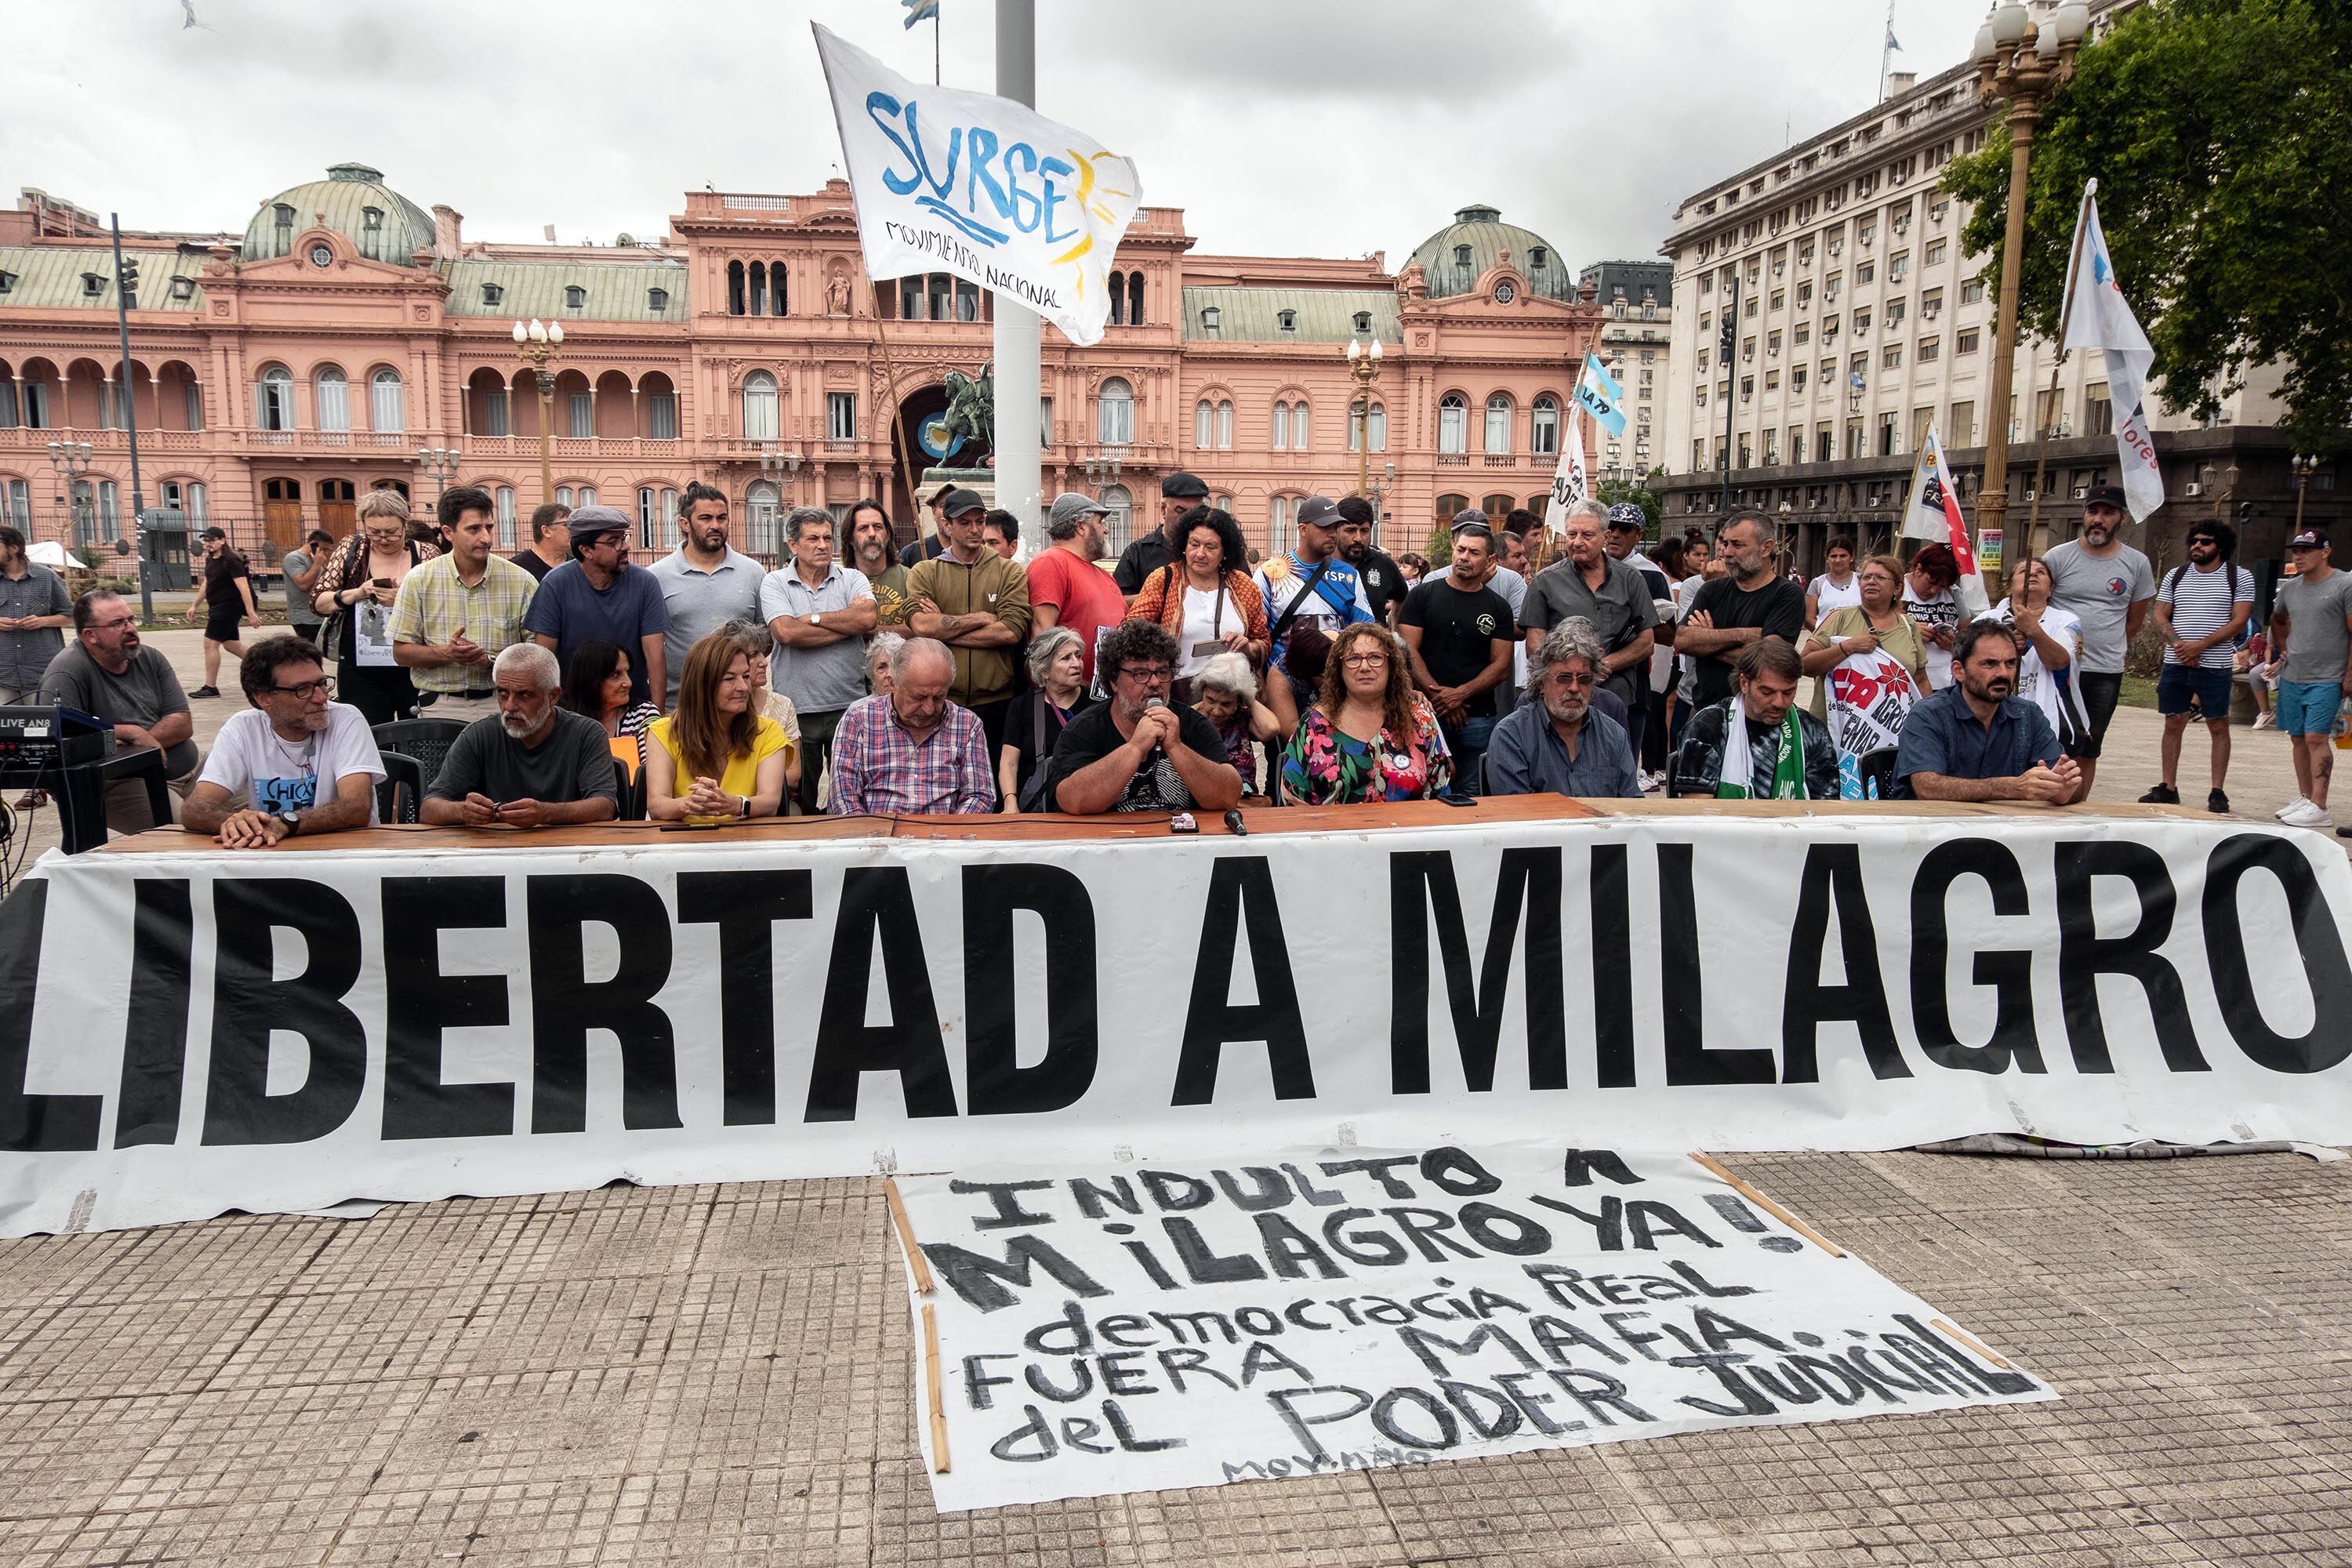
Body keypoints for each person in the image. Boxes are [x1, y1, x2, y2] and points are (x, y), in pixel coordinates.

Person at [183, 634, 383, 845]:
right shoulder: (242, 728)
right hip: (271, 852)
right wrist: (242, 823)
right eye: (302, 690)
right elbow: (195, 810)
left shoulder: (346, 719)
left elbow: (356, 808)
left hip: (345, 852)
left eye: (322, 684)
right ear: (264, 698)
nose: (321, 698)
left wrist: (286, 823)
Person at [38, 590, 201, 832]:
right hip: (122, 783)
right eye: (117, 624)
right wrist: (132, 734)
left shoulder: (150, 658)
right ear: (90, 635)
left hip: (193, 768)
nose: (130, 628)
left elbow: (182, 723)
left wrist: (143, 739)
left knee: (262, 808)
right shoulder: (67, 673)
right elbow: (62, 740)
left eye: (130, 619)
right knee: (195, 833)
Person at [1046, 619, 1244, 814]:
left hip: (1180, 842)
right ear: (1114, 681)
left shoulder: (1193, 723)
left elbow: (1228, 796)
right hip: (1109, 843)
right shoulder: (1085, 728)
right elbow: (1071, 801)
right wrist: (1135, 748)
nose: (1155, 682)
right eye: (1140, 674)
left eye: (1162, 672)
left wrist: (1176, 747)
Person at [422, 642, 620, 826]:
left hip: (567, 853)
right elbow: (429, 809)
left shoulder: (586, 733)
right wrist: (462, 811)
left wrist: (545, 814)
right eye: (502, 693)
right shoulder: (479, 735)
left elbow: (605, 806)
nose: (510, 706)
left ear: (553, 697)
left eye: (524, 695)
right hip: (495, 853)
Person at [388, 484, 540, 724]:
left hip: (504, 704)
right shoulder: (420, 580)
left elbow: (536, 655)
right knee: (442, 763)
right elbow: (401, 652)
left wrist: (490, 662)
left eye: (489, 527)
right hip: (440, 705)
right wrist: (447, 653)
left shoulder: (521, 581)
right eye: (474, 529)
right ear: (449, 532)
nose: (486, 538)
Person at [759, 505, 876, 815]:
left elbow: (867, 619)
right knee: (801, 793)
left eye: (827, 537)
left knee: (852, 791)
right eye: (812, 539)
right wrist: (844, 625)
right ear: (793, 545)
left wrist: (810, 618)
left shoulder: (852, 578)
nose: (823, 545)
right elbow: (785, 632)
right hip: (799, 708)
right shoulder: (774, 582)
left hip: (848, 705)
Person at [2041, 484, 2156, 796]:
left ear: (2122, 519)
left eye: (2108, 513)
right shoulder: (2058, 557)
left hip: (2104, 670)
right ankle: (2047, 801)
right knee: (2053, 738)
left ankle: (2077, 806)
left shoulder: (2137, 563)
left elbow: (2133, 621)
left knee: (2090, 744)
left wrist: (2108, 647)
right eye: (2093, 511)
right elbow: (2040, 604)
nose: (2098, 519)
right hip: (2058, 668)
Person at [1894, 622, 2080, 804]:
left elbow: (2066, 783)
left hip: (2005, 829)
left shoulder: (2029, 715)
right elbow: (1927, 787)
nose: (2003, 673)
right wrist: (2011, 787)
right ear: (1959, 671)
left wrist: (2062, 790)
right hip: (1932, 829)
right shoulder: (1929, 714)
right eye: (1990, 664)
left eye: (2010, 663)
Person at [906, 487, 1030, 757]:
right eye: (965, 522)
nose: (975, 529)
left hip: (998, 702)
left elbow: (1010, 631)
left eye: (980, 521)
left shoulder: (1009, 571)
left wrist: (943, 628)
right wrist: (984, 618)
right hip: (941, 700)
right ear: (946, 525)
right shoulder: (925, 572)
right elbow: (921, 627)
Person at [2142, 519, 2254, 814]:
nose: (2197, 546)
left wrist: (2199, 646)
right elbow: (2160, 614)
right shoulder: (2175, 575)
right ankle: (2168, 787)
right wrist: (2181, 645)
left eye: (2205, 542)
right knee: (2172, 722)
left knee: (2218, 724)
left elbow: (2239, 620)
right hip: (2176, 662)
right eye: (2194, 541)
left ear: (2220, 546)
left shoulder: (2238, 576)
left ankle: (2217, 791)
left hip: (2214, 664)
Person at [1279, 622, 1453, 804]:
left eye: (1375, 657)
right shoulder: (1313, 726)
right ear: (1339, 669)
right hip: (1334, 831)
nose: (1364, 667)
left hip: (1408, 830)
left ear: (1392, 665)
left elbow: (1441, 793)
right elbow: (1294, 800)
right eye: (1353, 658)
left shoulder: (1420, 720)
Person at [1398, 518, 1515, 786]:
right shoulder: (1422, 596)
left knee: (1472, 791)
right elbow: (1407, 651)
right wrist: (1440, 697)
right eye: (1461, 549)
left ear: (1490, 560)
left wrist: (1460, 694)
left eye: (1474, 552)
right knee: (1422, 787)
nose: (1465, 557)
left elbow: (1501, 666)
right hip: (1424, 712)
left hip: (1477, 716)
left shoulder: (1499, 608)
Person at [523, 503, 670, 712]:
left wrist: (656, 716)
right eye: (614, 542)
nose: (625, 546)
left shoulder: (645, 583)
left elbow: (655, 655)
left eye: (624, 538)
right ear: (586, 550)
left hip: (631, 710)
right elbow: (543, 658)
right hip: (573, 712)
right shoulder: (556, 584)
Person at [829, 636, 994, 815]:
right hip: (875, 836)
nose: (930, 709)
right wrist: (871, 837)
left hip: (946, 837)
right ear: (892, 683)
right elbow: (843, 798)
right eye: (918, 698)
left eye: (939, 697)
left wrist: (948, 834)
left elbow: (980, 796)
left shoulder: (967, 724)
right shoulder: (858, 721)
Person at [1522, 498, 1658, 713]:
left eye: (1586, 535)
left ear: (1605, 537)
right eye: (1572, 534)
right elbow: (1534, 643)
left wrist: (1607, 664)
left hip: (1617, 695)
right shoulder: (1545, 581)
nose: (1577, 542)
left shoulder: (1630, 579)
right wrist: (1570, 669)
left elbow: (1647, 642)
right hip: (1563, 698)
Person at [314, 490, 435, 724]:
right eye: (373, 532)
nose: (382, 539)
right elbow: (318, 602)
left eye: (391, 532)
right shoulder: (352, 549)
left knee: (417, 735)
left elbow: (441, 607)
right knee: (369, 736)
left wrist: (402, 601)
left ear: (404, 524)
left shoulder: (426, 553)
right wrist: (357, 593)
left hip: (412, 666)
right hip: (360, 669)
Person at [642, 631, 791, 823]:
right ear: (701, 685)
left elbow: (770, 802)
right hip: (682, 845)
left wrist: (735, 805)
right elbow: (656, 805)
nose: (744, 687)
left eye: (746, 676)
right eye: (730, 679)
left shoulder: (768, 731)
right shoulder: (662, 732)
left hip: (747, 844)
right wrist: (692, 804)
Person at [1486, 619, 1642, 798]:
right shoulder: (1512, 736)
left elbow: (1631, 806)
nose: (1574, 688)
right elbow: (1517, 815)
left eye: (1583, 679)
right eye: (1564, 678)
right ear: (1541, 683)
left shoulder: (1613, 735)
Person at [1670, 637, 1840, 800]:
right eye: (1767, 692)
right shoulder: (1708, 727)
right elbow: (1698, 811)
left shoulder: (1812, 731)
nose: (1779, 703)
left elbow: (1826, 809)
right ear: (1744, 683)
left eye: (1788, 692)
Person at [1127, 506, 1269, 694]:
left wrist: (1248, 649)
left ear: (1225, 551)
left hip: (1232, 694)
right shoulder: (1163, 579)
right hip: (1179, 692)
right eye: (1194, 544)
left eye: (1211, 547)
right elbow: (1131, 630)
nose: (1200, 554)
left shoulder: (1243, 585)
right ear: (1183, 545)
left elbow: (1263, 640)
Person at [648, 482, 764, 709]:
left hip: (740, 707)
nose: (715, 525)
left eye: (722, 518)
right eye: (705, 518)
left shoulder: (753, 572)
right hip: (681, 706)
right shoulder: (656, 576)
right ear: (685, 524)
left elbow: (764, 638)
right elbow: (651, 647)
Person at [1675, 510, 1806, 712]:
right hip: (1705, 711)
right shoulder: (1711, 589)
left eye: (1738, 545)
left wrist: (1707, 643)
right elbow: (1683, 641)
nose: (1727, 552)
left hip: (1756, 715)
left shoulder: (1787, 594)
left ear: (1766, 548)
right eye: (1725, 543)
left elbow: (1769, 661)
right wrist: (1749, 634)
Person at [1799, 553, 1930, 750]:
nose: (1871, 582)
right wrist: (1847, 648)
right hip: (1835, 731)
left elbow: (1920, 679)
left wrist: (1929, 722)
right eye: (1866, 577)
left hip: (1889, 733)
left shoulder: (1908, 625)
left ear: (1897, 588)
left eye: (1880, 578)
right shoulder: (1840, 617)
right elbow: (1804, 665)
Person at [2268, 528, 2352, 829]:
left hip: (2328, 676)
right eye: (2296, 551)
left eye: (2306, 550)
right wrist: (2283, 648)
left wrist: (2350, 673)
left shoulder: (2345, 584)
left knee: (2317, 737)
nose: (2299, 556)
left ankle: (2320, 804)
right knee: (2298, 738)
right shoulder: (2290, 589)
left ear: (2325, 551)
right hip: (2294, 675)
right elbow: (2277, 619)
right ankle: (2305, 798)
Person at [1255, 495, 1375, 703]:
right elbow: (1257, 635)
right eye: (1324, 527)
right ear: (1302, 530)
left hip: (1335, 684)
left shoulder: (1349, 575)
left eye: (1336, 527)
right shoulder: (1270, 572)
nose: (1332, 534)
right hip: (1283, 683)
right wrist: (1261, 685)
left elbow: (1366, 631)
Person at [1983, 556, 2087, 756]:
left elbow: (2060, 661)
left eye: (2041, 572)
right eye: (2024, 571)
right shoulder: (1986, 620)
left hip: (2048, 715)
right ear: (2009, 588)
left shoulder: (2067, 621)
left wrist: (2034, 631)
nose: (2033, 574)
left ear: (2050, 590)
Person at [1027, 492, 1130, 688]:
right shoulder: (1051, 562)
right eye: (1100, 523)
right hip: (1072, 696)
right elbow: (1042, 633)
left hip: (1104, 695)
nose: (1106, 531)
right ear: (1081, 527)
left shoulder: (1103, 574)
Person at [999, 626, 1097, 812]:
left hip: (1089, 802)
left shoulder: (1097, 704)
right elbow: (1009, 762)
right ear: (1045, 671)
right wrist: (1010, 803)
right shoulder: (1022, 706)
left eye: (1078, 655)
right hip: (1041, 807)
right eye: (1066, 658)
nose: (1076, 663)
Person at [726, 619, 805, 804]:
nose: (764, 662)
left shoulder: (782, 705)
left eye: (763, 653)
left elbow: (794, 776)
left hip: (774, 803)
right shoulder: (720, 708)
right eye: (754, 655)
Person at [1190, 650, 1283, 800]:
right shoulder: (1189, 719)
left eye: (1226, 704)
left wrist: (1249, 697)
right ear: (1202, 693)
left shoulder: (1241, 716)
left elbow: (1271, 729)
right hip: (1203, 803)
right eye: (1211, 700)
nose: (1217, 711)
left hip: (1245, 801)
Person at [0, 524, 72, 702]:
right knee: (6, 729)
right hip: (3, 674)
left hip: (41, 673)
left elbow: (70, 615)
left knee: (44, 726)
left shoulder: (46, 577)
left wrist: (42, 621)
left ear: (14, 548)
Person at [185, 526, 259, 697]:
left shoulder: (231, 561)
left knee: (210, 644)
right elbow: (206, 584)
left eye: (211, 540)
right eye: (205, 541)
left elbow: (244, 587)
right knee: (232, 645)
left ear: (222, 540)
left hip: (227, 609)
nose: (207, 544)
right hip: (217, 607)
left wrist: (251, 612)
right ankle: (265, 664)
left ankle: (210, 687)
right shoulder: (211, 560)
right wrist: (194, 605)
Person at [1112, 471, 1210, 597]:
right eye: (1180, 510)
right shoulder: (1137, 552)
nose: (1190, 518)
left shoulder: (1219, 552)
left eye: (1196, 511)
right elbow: (1117, 601)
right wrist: (1157, 597)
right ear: (1163, 510)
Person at [1425, 510, 1528, 616]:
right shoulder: (1433, 580)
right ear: (1453, 542)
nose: (1471, 538)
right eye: (1464, 533)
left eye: (1478, 533)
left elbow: (1518, 627)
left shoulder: (1512, 580)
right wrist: (1475, 585)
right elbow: (1435, 621)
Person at [559, 639, 659, 744]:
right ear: (591, 681)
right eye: (616, 675)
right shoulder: (565, 724)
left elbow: (651, 760)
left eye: (627, 673)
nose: (628, 683)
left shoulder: (643, 715)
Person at [1901, 543, 1965, 691]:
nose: (1934, 590)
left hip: (1946, 682)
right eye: (1931, 582)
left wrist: (1955, 645)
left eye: (1942, 586)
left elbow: (1968, 632)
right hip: (1908, 681)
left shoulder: (1953, 593)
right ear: (1918, 569)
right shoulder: (1898, 588)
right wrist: (1909, 629)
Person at [1336, 495, 1408, 624]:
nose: (1358, 538)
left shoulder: (1384, 564)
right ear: (1336, 530)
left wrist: (1395, 630)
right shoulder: (1321, 564)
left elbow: (1402, 598)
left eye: (1364, 531)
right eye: (1350, 530)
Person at [847, 499, 913, 626]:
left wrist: (862, 628)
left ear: (888, 535)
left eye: (878, 527)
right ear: (850, 537)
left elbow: (919, 629)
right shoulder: (839, 582)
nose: (872, 534)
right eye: (863, 528)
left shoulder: (909, 578)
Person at [281, 529, 333, 646]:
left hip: (319, 615)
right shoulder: (293, 558)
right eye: (324, 549)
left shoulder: (317, 560)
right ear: (314, 545)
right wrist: (318, 564)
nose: (326, 553)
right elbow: (303, 584)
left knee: (321, 652)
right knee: (312, 653)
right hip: (304, 618)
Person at [1806, 536, 1863, 630]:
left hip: (1860, 639)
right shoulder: (1817, 583)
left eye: (1843, 556)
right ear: (1827, 558)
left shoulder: (1862, 580)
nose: (1838, 560)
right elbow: (1809, 619)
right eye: (1833, 556)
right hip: (1826, 641)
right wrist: (1825, 635)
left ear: (1851, 557)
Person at [896, 481, 956, 568]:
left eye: (956, 506)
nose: (949, 512)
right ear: (934, 512)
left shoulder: (976, 555)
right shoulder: (912, 553)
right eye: (944, 506)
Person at [513, 502, 571, 582]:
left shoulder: (580, 565)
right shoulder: (517, 569)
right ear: (546, 531)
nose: (573, 529)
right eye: (567, 525)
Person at [2245, 629, 2277, 729]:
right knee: (2255, 674)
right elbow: (2269, 648)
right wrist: (2267, 664)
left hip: (2292, 661)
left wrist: (2278, 665)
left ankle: (2293, 717)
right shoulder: (2275, 625)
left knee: (2284, 678)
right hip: (2274, 659)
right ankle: (2266, 712)